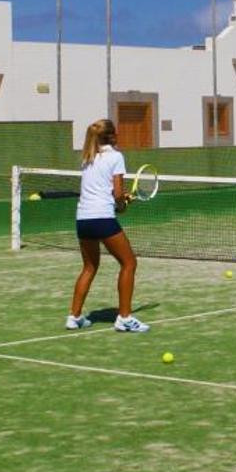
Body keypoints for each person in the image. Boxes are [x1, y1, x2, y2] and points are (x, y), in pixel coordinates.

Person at [66, 117, 148, 333]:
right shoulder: (116, 157)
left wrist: (118, 201)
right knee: (129, 263)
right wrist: (122, 204)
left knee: (89, 267)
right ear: (113, 136)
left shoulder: (88, 157)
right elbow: (118, 194)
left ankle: (74, 317)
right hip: (102, 217)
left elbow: (103, 190)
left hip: (83, 219)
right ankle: (124, 318)